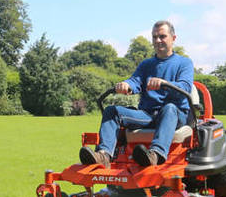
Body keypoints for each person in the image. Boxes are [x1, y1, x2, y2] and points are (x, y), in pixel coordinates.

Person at [79, 20, 194, 168]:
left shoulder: (184, 63)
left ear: (173, 38)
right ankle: (104, 155)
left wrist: (164, 84)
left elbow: (184, 87)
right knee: (111, 111)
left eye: (162, 36)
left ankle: (155, 155)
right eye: (154, 37)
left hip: (173, 115)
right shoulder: (146, 64)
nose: (158, 40)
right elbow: (135, 81)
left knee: (169, 108)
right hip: (147, 114)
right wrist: (126, 85)